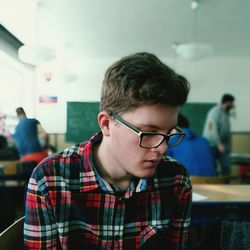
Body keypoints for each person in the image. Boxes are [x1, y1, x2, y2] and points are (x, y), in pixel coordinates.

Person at [24, 52, 192, 249]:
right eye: (148, 132)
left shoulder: (176, 179)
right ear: (106, 124)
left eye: (169, 133)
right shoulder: (50, 179)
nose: (162, 148)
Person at [203, 94, 235, 176]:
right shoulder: (215, 112)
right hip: (212, 144)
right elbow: (212, 129)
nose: (233, 105)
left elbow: (226, 131)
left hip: (222, 144)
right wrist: (219, 143)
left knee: (226, 167)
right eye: (232, 103)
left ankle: (226, 186)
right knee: (212, 166)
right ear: (227, 102)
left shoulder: (225, 113)